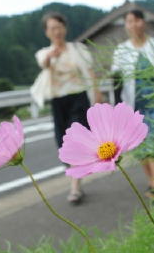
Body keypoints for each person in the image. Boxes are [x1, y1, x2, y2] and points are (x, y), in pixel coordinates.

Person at [34, 11, 102, 204]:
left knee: (75, 140)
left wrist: (97, 94)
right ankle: (77, 175)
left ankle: (75, 188)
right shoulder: (44, 53)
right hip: (58, 101)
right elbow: (43, 64)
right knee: (62, 143)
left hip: (78, 99)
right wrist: (51, 57)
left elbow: (89, 72)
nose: (56, 31)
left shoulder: (77, 49)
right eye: (52, 28)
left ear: (65, 28)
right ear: (47, 32)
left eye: (59, 27)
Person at [112, 9, 154, 202]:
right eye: (129, 21)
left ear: (144, 22)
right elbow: (116, 81)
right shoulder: (121, 51)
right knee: (142, 147)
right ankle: (153, 181)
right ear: (126, 26)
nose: (134, 24)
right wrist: (117, 109)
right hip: (134, 105)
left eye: (137, 20)